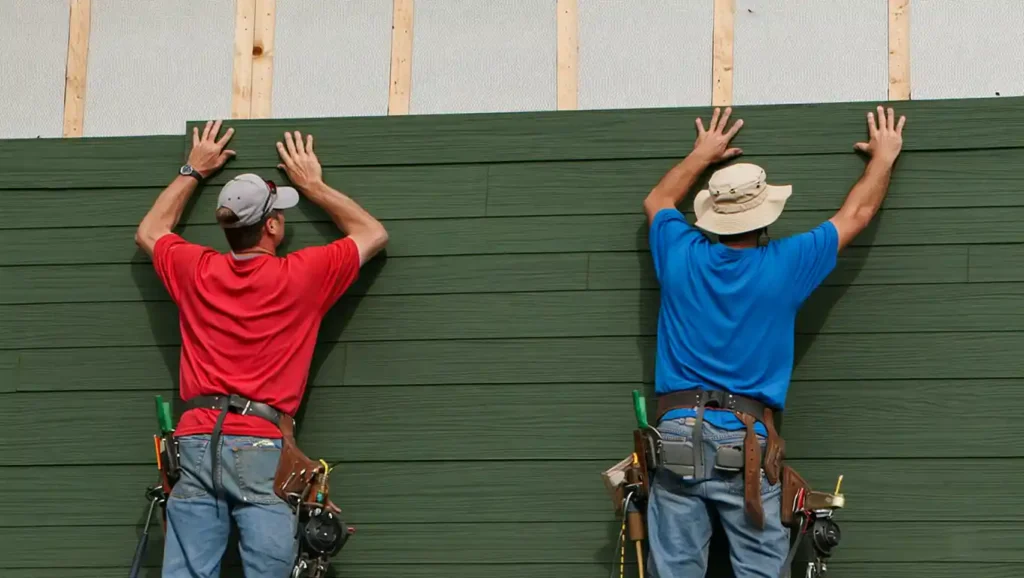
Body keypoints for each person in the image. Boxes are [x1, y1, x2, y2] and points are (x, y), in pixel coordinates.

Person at [641, 105, 906, 578]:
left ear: (713, 214)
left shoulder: (677, 251)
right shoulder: (785, 265)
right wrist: (883, 156)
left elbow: (658, 199)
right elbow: (858, 213)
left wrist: (702, 154)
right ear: (765, 217)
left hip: (676, 435)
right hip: (746, 442)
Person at [134, 120, 389, 578]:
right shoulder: (302, 276)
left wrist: (192, 170)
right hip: (259, 444)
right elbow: (371, 233)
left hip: (194, 442)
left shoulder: (196, 269)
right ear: (271, 225)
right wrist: (314, 186)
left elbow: (151, 230)